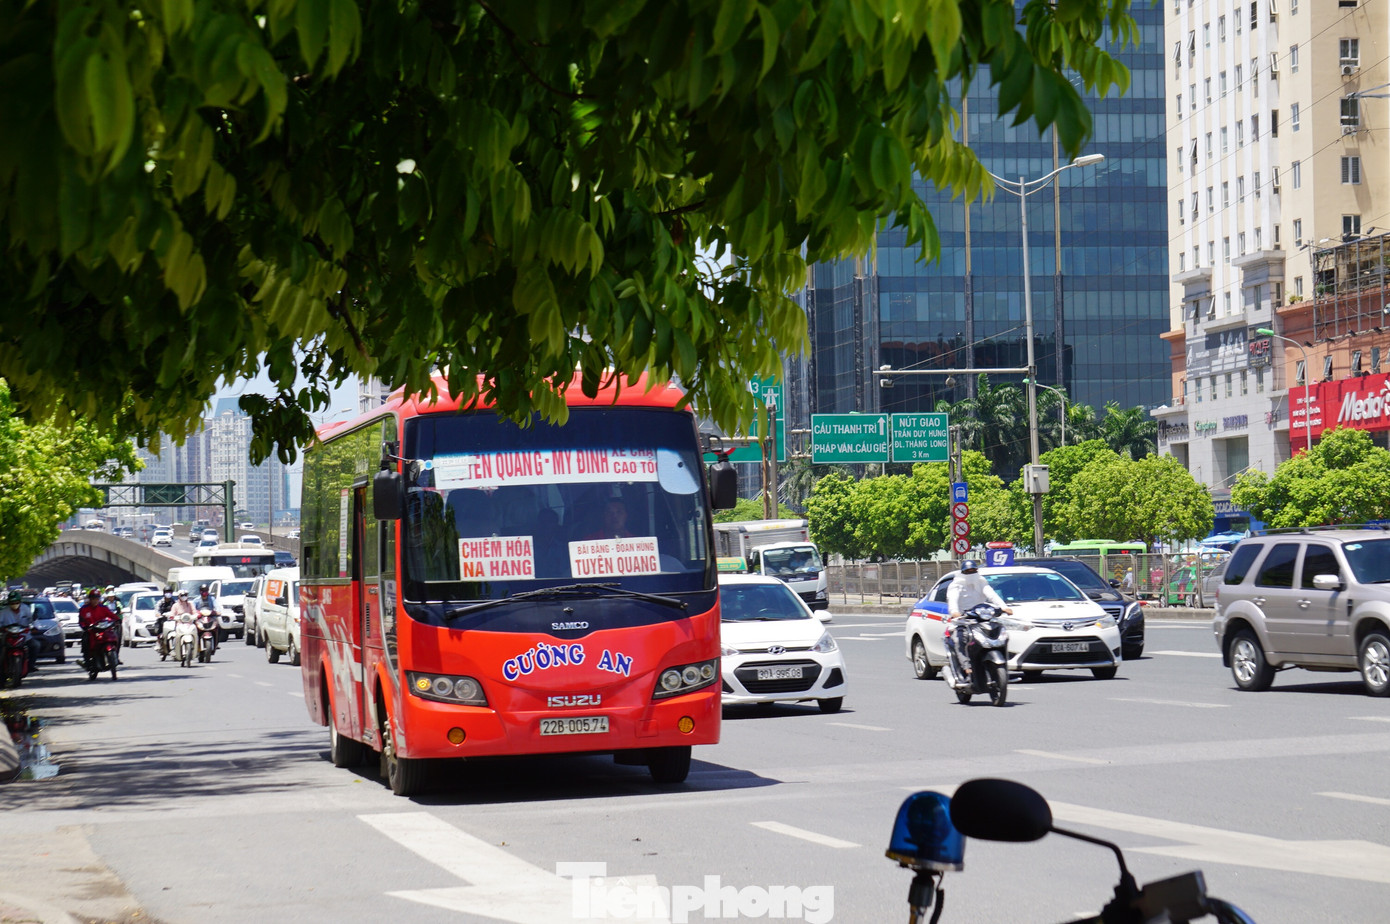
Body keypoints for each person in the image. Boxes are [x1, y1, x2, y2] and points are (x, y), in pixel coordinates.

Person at [946, 561, 1013, 620]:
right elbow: (953, 600)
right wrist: (954, 612)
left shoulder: (981, 582)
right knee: (961, 632)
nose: (971, 573)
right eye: (968, 571)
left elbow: (991, 595)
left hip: (981, 616)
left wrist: (1004, 607)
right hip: (962, 618)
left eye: (973, 570)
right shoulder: (956, 585)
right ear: (963, 572)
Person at [0, 592, 40, 674]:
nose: (14, 604)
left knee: (36, 645)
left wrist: (35, 627)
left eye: (16, 602)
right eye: (12, 603)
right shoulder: (4, 612)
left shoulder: (26, 609)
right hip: (8, 636)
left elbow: (32, 620)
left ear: (20, 602)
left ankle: (31, 665)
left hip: (24, 635)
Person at [78, 589, 117, 667]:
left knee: (115, 636)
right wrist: (85, 627)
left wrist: (117, 620)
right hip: (91, 631)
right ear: (90, 599)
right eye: (93, 599)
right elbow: (81, 620)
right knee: (85, 639)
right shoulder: (84, 609)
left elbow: (111, 615)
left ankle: (116, 657)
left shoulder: (103, 608)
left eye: (96, 599)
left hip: (103, 630)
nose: (95, 601)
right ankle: (87, 660)